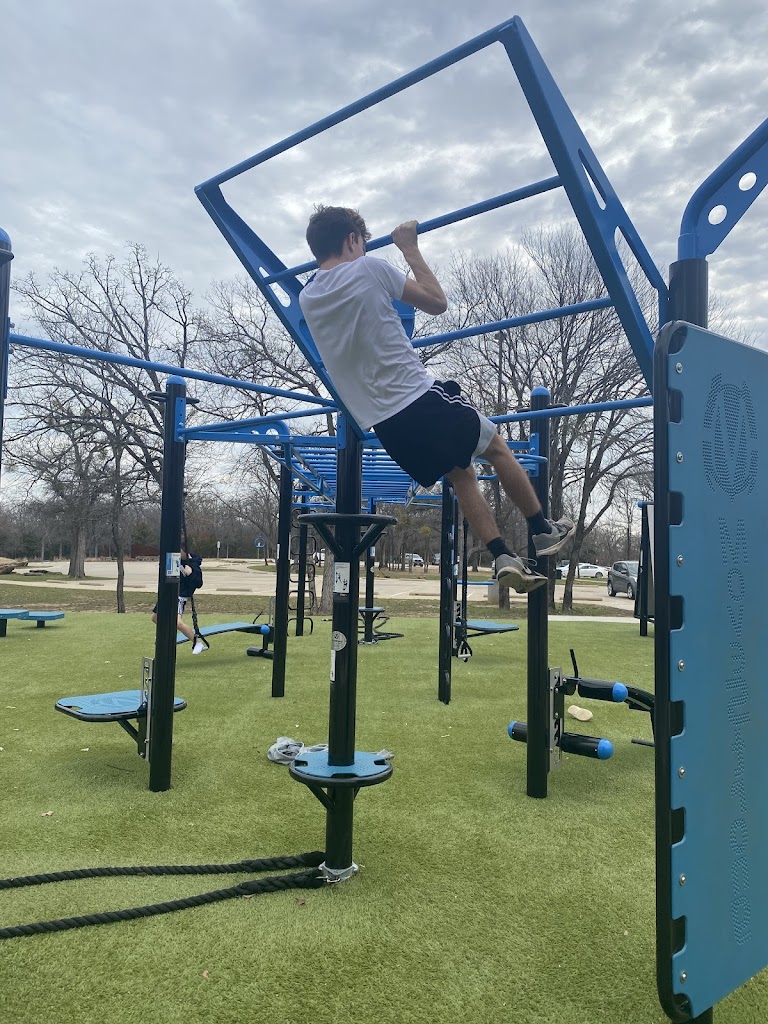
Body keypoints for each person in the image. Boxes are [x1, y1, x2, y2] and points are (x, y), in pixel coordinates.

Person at [298, 206, 574, 592]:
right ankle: (542, 531)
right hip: (418, 398)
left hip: (387, 426)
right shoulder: (367, 268)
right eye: (361, 244)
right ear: (352, 239)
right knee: (497, 448)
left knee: (462, 476)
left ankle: (501, 556)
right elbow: (436, 301)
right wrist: (409, 248)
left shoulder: (308, 297)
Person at [151, 547, 207, 654]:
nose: (176, 552)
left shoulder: (193, 564)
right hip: (168, 594)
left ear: (185, 551)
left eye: (179, 550)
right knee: (155, 617)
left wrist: (190, 573)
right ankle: (167, 635)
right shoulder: (174, 559)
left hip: (179, 596)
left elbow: (199, 583)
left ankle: (197, 643)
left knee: (177, 622)